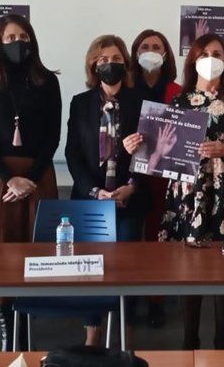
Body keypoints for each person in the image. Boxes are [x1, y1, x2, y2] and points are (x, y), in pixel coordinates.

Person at [125, 34, 224, 350]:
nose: (211, 59)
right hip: (190, 194)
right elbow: (161, 146)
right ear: (193, 61)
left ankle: (222, 336)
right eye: (204, 54)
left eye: (217, 53)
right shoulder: (180, 100)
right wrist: (138, 145)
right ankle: (190, 337)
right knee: (190, 263)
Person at [0, 14, 61, 344]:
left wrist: (30, 179)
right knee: (1, 251)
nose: (17, 43)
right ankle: (6, 320)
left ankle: (28, 319)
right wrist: (10, 179)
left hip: (37, 175)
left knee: (35, 251)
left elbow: (52, 136)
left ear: (32, 41)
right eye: (10, 38)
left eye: (23, 36)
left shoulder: (48, 82)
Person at [65, 34, 146, 346]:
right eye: (102, 60)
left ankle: (126, 331)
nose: (109, 64)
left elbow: (153, 154)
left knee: (127, 269)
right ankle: (92, 331)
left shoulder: (140, 102)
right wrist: (94, 192)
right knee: (90, 267)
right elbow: (73, 153)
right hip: (91, 202)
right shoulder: (80, 103)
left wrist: (132, 186)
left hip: (129, 200)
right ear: (93, 65)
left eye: (115, 59)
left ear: (125, 63)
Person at [128, 29, 181, 328]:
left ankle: (156, 300)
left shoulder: (177, 91)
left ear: (165, 53)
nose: (150, 51)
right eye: (144, 46)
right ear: (135, 53)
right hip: (130, 173)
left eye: (156, 46)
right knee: (129, 238)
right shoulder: (126, 87)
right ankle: (129, 297)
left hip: (164, 175)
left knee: (158, 237)